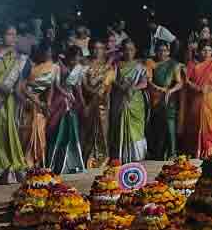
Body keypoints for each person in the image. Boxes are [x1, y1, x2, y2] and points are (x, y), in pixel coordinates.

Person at [0, 24, 30, 184]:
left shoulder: (16, 56)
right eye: (10, 34)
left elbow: (19, 80)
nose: (13, 38)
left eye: (15, 35)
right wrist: (4, 88)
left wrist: (21, 95)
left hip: (7, 101)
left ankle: (5, 169)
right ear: (0, 36)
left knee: (5, 133)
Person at [47, 45, 87, 174]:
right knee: (57, 129)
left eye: (77, 59)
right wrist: (65, 94)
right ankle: (55, 162)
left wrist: (82, 102)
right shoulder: (57, 67)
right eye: (73, 59)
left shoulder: (79, 69)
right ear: (68, 57)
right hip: (59, 100)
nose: (75, 62)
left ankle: (71, 162)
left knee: (71, 130)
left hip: (71, 101)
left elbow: (78, 88)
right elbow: (56, 85)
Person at [180, 42, 212, 157]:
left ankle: (208, 149)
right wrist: (197, 87)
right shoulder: (192, 65)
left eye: (209, 50)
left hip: (210, 99)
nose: (206, 53)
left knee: (210, 124)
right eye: (204, 50)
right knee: (195, 122)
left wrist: (209, 87)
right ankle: (195, 149)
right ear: (199, 51)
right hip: (196, 98)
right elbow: (187, 81)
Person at [20, 43, 58, 170]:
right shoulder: (30, 65)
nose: (48, 55)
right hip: (27, 101)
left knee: (41, 130)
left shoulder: (53, 67)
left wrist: (48, 102)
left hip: (40, 102)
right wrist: (35, 101)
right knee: (28, 130)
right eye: (45, 52)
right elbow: (22, 87)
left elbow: (51, 87)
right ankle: (25, 162)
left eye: (50, 53)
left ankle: (37, 162)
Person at [111, 40, 149, 162]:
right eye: (126, 49)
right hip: (121, 99)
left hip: (135, 101)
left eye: (131, 49)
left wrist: (132, 87)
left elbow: (144, 83)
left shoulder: (140, 66)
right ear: (122, 51)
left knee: (136, 127)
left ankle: (136, 155)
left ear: (135, 51)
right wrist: (121, 87)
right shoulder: (117, 65)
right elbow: (113, 80)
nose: (128, 52)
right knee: (120, 124)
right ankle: (121, 155)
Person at [80, 39, 116, 168]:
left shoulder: (108, 67)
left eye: (99, 48)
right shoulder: (83, 63)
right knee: (86, 131)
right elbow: (80, 81)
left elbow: (105, 86)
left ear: (104, 50)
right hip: (85, 101)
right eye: (94, 48)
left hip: (102, 104)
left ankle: (102, 159)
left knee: (102, 130)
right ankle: (86, 158)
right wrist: (88, 92)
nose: (96, 51)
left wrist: (96, 94)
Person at [146, 41, 183, 159]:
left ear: (169, 51)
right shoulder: (151, 63)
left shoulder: (174, 64)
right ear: (156, 51)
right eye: (160, 50)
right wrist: (156, 88)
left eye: (165, 50)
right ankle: (158, 153)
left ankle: (172, 153)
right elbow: (149, 80)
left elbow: (179, 83)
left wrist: (170, 91)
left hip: (168, 98)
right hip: (155, 98)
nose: (163, 53)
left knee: (170, 124)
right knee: (157, 125)